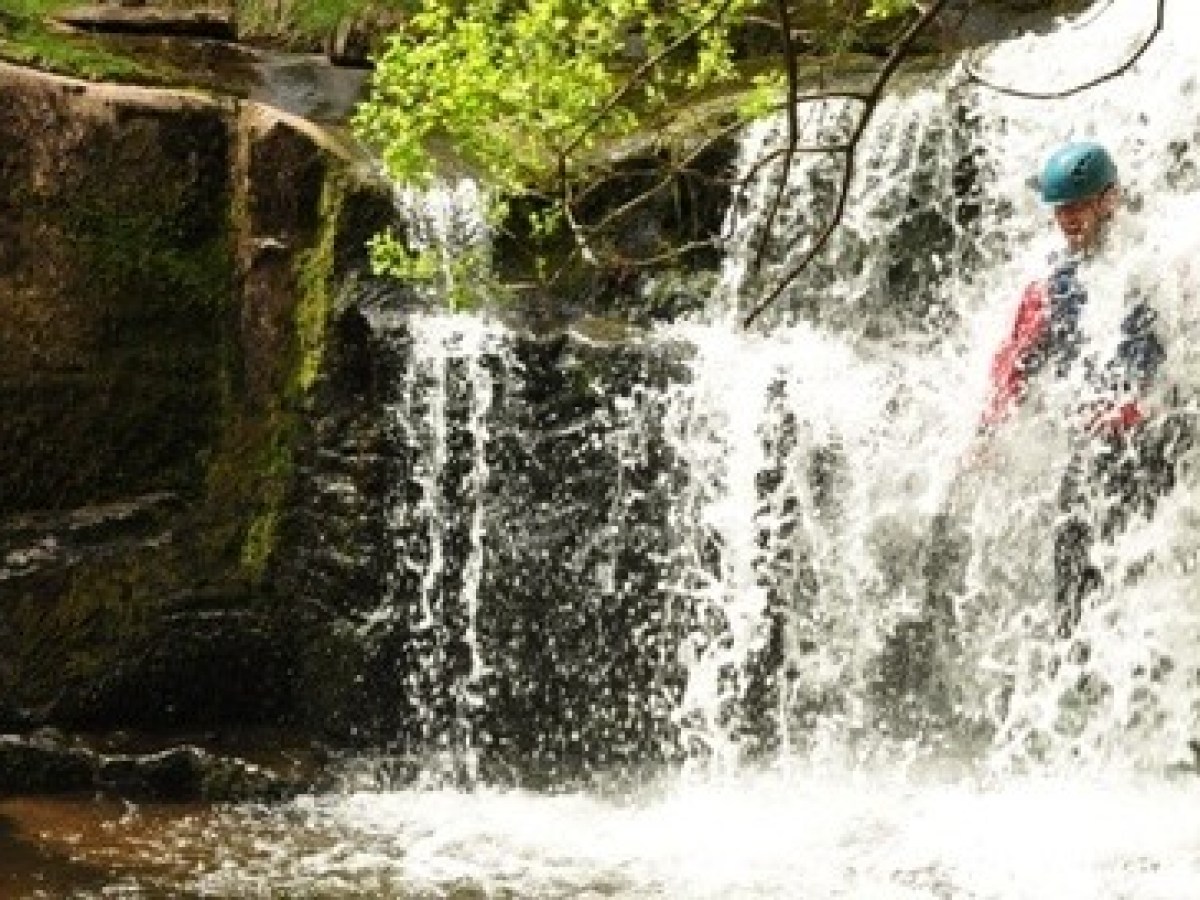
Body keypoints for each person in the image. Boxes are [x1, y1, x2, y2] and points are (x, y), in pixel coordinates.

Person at [976, 140, 1192, 640]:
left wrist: (1152, 404)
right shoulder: (1051, 282)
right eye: (1059, 210)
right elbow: (1016, 359)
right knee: (1073, 587)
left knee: (1149, 578)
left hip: (1159, 442)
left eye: (1077, 206)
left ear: (1109, 199)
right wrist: (988, 429)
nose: (1067, 219)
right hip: (1094, 451)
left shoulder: (1157, 263)